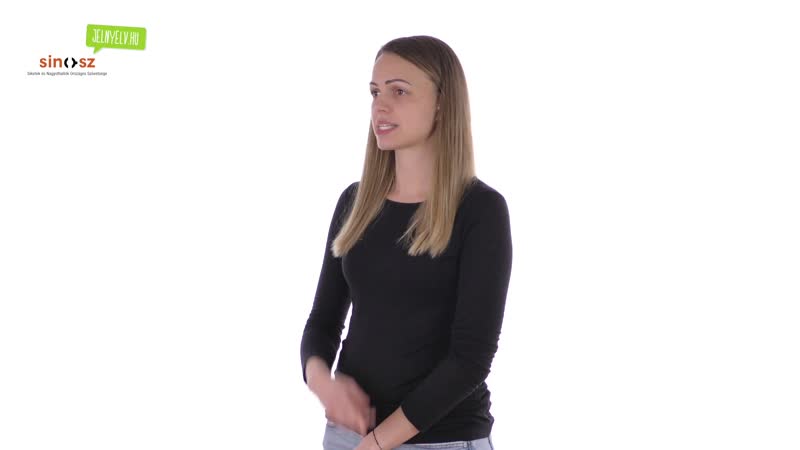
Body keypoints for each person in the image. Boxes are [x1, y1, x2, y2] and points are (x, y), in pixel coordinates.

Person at [300, 35, 512, 450]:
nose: (380, 106)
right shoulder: (354, 203)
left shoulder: (480, 210)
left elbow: (471, 358)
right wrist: (324, 384)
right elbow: (322, 321)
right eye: (375, 92)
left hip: (440, 440)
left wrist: (380, 442)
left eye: (398, 91)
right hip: (348, 437)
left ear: (442, 102)